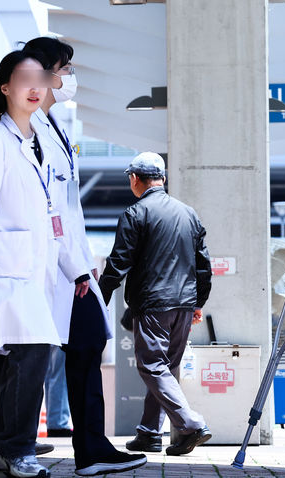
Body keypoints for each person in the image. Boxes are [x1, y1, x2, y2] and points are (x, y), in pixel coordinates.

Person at [24, 36, 147, 476]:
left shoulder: (53, 124)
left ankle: (91, 446)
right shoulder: (29, 129)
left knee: (88, 345)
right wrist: (75, 266)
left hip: (73, 266)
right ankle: (19, 448)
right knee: (27, 359)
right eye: (65, 68)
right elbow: (48, 209)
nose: (70, 76)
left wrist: (82, 262)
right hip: (57, 267)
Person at [0, 49, 67, 478]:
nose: (35, 86)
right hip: (5, 268)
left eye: (40, 77)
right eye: (24, 78)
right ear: (5, 88)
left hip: (35, 269)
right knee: (32, 350)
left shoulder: (36, 141)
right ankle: (16, 449)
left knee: (19, 358)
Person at [99, 152, 213, 456]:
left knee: (152, 366)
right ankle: (149, 433)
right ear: (162, 179)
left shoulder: (135, 213)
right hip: (185, 304)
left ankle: (191, 423)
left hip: (154, 304)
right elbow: (204, 265)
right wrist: (199, 302)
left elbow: (118, 262)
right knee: (167, 368)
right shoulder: (189, 213)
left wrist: (100, 296)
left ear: (135, 179)